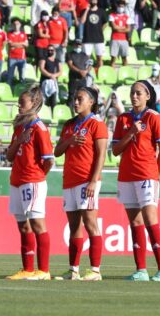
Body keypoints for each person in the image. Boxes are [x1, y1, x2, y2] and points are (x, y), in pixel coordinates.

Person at [112, 80, 160, 282]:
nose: (134, 96)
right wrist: (131, 133)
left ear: (148, 96)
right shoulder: (124, 119)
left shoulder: (153, 117)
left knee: (150, 220)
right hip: (127, 175)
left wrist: (156, 173)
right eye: (132, 92)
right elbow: (115, 150)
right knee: (134, 223)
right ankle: (141, 270)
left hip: (146, 175)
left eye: (138, 93)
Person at [53, 87, 107, 281]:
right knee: (74, 225)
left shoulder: (96, 124)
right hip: (69, 181)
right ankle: (73, 270)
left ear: (91, 102)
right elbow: (57, 152)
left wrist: (93, 181)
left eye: (80, 99)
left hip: (86, 181)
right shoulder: (69, 125)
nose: (75, 102)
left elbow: (101, 154)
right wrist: (68, 141)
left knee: (90, 223)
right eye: (74, 99)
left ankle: (95, 270)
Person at [5, 86, 54, 281]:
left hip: (32, 181)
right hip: (16, 180)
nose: (19, 105)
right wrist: (18, 142)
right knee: (22, 226)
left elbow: (49, 159)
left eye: (22, 102)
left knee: (37, 223)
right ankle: (27, 268)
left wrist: (39, 175)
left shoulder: (39, 128)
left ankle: (43, 270)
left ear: (33, 104)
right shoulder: (20, 127)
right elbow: (9, 156)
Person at [6, 18, 28, 88]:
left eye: (17, 24)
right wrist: (21, 44)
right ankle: (9, 90)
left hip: (22, 58)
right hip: (12, 57)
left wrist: (15, 44)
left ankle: (22, 90)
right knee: (10, 76)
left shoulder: (23, 34)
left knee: (22, 76)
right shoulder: (9, 34)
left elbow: (26, 45)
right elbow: (10, 44)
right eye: (14, 24)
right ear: (12, 25)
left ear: (20, 25)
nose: (16, 26)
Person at [39, 46, 61, 111]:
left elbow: (60, 71)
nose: (50, 51)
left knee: (53, 101)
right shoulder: (44, 59)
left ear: (54, 51)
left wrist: (54, 76)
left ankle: (52, 114)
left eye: (52, 50)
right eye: (49, 50)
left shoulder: (57, 60)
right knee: (43, 101)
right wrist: (50, 75)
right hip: (45, 82)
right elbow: (42, 69)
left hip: (53, 83)